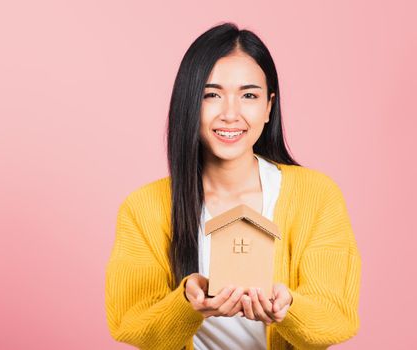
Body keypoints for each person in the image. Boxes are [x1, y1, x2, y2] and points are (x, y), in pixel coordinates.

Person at [105, 22, 361, 350]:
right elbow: (132, 324)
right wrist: (186, 303)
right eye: (211, 94)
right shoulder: (144, 208)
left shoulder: (317, 196)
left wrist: (289, 308)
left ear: (269, 107)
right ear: (189, 105)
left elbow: (336, 318)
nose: (230, 114)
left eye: (249, 95)